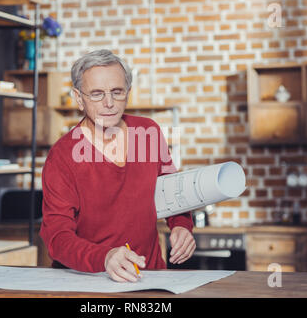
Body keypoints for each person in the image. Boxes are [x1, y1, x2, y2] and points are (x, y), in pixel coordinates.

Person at [40, 49, 195, 282]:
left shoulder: (148, 133)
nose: (109, 103)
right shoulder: (61, 157)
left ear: (128, 93)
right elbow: (57, 238)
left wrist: (182, 225)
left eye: (116, 92)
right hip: (89, 281)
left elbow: (171, 190)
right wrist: (104, 257)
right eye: (96, 94)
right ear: (78, 98)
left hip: (150, 279)